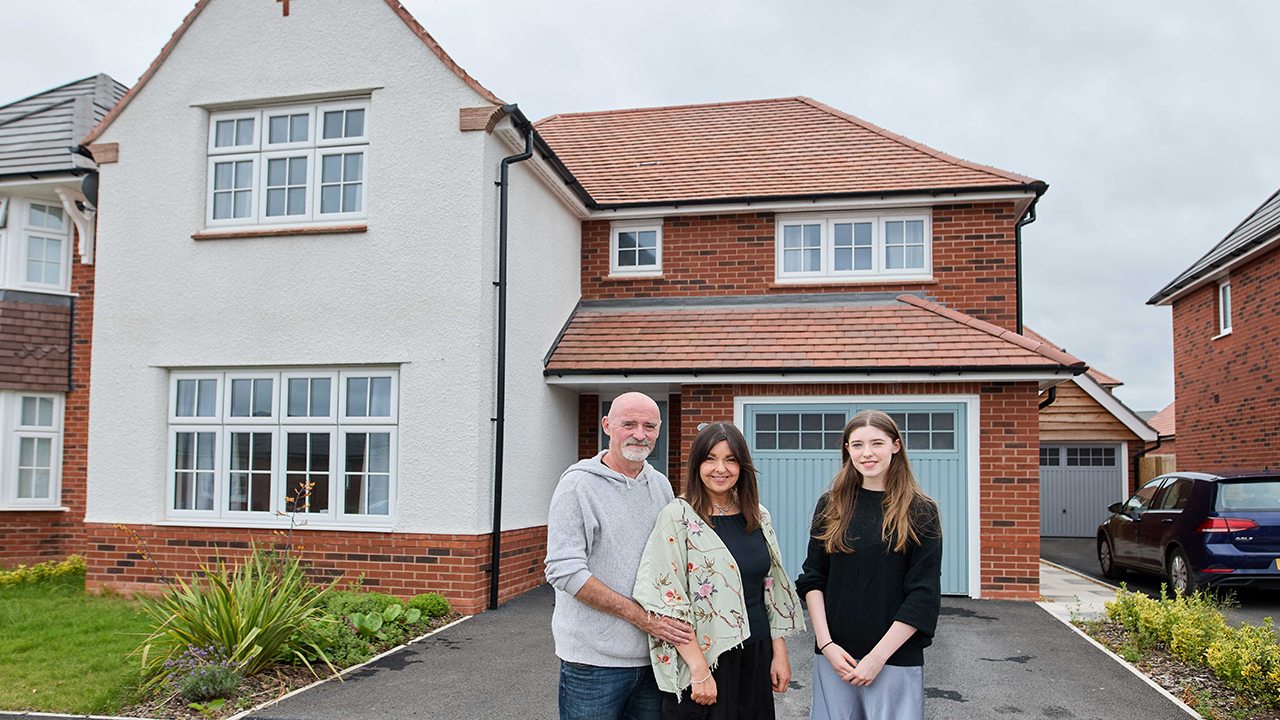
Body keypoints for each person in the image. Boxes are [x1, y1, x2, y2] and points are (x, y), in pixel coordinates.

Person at [633, 421, 805, 719]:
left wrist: (780, 653)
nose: (720, 468)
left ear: (743, 465)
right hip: (705, 660)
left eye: (730, 459)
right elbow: (667, 599)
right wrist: (699, 670)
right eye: (710, 458)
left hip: (756, 654)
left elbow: (769, 588)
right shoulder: (678, 517)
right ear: (697, 464)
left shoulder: (758, 515)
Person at [546, 392, 696, 720]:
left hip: (653, 658)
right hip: (593, 664)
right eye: (629, 424)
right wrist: (644, 619)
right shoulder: (578, 487)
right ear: (607, 426)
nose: (640, 434)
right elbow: (564, 570)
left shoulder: (660, 487)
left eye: (649, 426)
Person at [795, 410, 942, 720]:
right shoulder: (830, 505)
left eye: (877, 443)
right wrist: (827, 645)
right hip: (836, 659)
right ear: (847, 449)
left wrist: (877, 658)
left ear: (896, 446)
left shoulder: (921, 511)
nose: (867, 453)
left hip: (894, 660)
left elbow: (923, 595)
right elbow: (813, 579)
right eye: (857, 444)